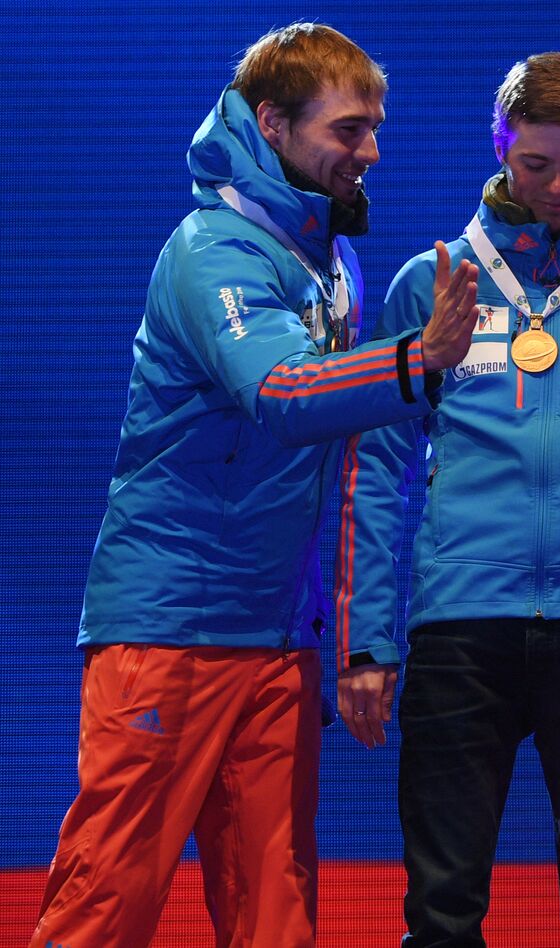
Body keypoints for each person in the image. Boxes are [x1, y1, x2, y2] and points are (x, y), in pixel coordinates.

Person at [31, 22, 480, 948]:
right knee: (107, 900)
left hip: (277, 638)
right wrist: (420, 359)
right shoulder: (214, 250)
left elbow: (339, 440)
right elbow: (281, 393)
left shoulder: (329, 260)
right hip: (169, 630)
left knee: (276, 911)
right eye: (349, 129)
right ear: (272, 124)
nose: (371, 150)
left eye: (375, 128)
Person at [334, 52, 560, 947]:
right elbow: (375, 473)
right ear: (500, 144)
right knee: (441, 911)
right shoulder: (431, 285)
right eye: (535, 164)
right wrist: (368, 643)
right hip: (462, 629)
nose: (557, 188)